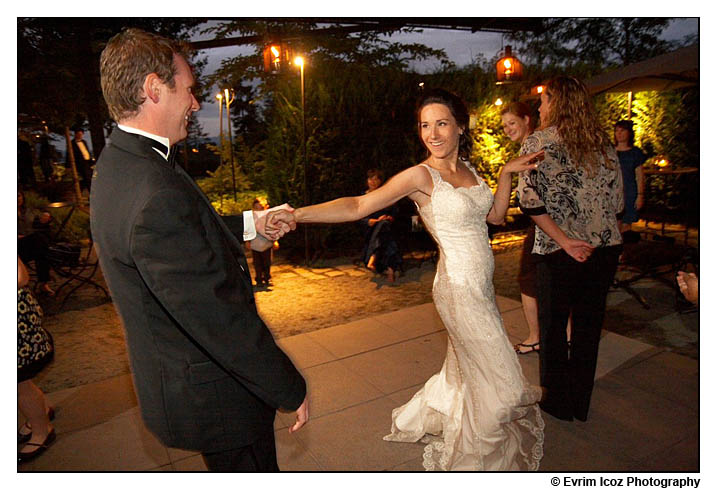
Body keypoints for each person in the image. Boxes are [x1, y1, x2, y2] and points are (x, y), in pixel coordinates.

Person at [292, 88, 545, 470]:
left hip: (480, 286)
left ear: (461, 126)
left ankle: (455, 413)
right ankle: (478, 460)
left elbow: (493, 217)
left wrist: (507, 172)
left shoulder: (469, 171)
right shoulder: (420, 176)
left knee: (470, 370)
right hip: (458, 290)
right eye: (425, 126)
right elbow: (358, 205)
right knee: (505, 384)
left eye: (442, 123)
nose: (433, 134)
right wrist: (297, 215)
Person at [91, 28, 307, 472]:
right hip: (218, 398)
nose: (195, 103)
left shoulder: (119, 162)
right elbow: (218, 317)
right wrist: (289, 387)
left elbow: (183, 231)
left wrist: (251, 225)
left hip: (185, 383)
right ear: (154, 89)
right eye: (188, 90)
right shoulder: (154, 190)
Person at [517, 76, 624, 422]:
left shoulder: (538, 142)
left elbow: (529, 201)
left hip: (558, 251)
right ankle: (580, 404)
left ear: (558, 103)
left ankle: (557, 403)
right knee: (587, 329)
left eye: (544, 100)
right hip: (603, 251)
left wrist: (565, 241)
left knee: (552, 327)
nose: (540, 107)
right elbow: (618, 203)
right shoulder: (604, 143)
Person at [501, 103, 573, 355]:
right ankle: (566, 335)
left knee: (528, 280)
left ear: (526, 119)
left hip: (545, 224)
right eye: (504, 125)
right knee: (555, 279)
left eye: (512, 122)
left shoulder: (533, 145)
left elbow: (532, 193)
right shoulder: (541, 143)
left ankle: (535, 337)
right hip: (555, 222)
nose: (508, 128)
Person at [18, 256, 56, 463]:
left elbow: (19, 277)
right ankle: (39, 414)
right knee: (22, 384)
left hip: (18, 326)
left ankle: (42, 430)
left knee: (21, 384)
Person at [359, 168, 402, 282]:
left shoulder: (385, 195)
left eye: (376, 179)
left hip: (386, 226)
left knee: (384, 226)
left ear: (380, 181)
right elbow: (358, 216)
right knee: (386, 236)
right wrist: (370, 221)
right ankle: (390, 269)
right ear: (367, 181)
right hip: (371, 229)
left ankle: (373, 258)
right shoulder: (362, 197)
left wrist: (388, 217)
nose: (373, 182)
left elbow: (395, 212)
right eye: (370, 179)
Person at [18, 189, 55, 296]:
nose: (17, 199)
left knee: (41, 251)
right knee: (39, 243)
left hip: (30, 244)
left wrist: (47, 218)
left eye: (19, 195)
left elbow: (40, 223)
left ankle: (43, 284)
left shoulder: (29, 211)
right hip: (18, 248)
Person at [614, 120, 646, 234]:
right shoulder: (610, 152)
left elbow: (639, 175)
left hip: (629, 191)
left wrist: (640, 195)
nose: (619, 133)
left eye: (622, 131)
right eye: (617, 131)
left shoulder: (635, 153)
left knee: (626, 224)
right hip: (614, 191)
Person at [251, 198, 273, 287]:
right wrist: (247, 241)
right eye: (257, 208)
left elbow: (273, 229)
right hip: (255, 242)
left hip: (267, 242)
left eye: (261, 207)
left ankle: (267, 277)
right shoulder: (251, 216)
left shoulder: (269, 216)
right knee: (257, 263)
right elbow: (248, 229)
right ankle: (259, 279)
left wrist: (275, 240)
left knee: (267, 262)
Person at [66, 129, 94, 193]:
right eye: (79, 134)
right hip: (80, 163)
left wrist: (91, 161)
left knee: (89, 178)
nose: (80, 136)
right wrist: (68, 166)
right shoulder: (72, 143)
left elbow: (86, 151)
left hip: (87, 162)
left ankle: (82, 189)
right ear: (75, 134)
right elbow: (69, 154)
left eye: (81, 134)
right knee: (87, 178)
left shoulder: (84, 142)